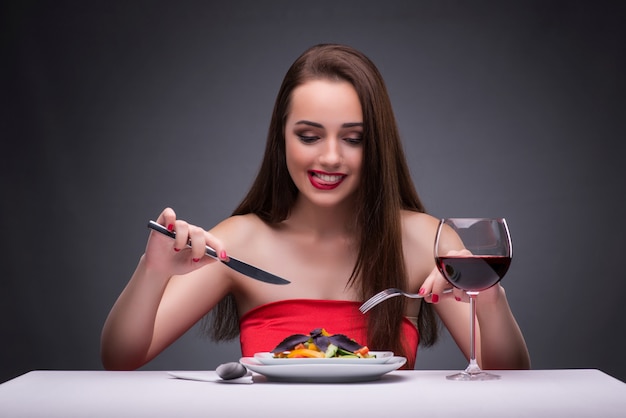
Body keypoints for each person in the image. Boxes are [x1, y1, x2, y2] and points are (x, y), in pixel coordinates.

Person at [101, 44, 530, 371]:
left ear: (377, 145)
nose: (329, 157)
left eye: (353, 138)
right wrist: (152, 269)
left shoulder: (422, 239)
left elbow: (510, 376)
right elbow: (121, 358)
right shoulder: (239, 240)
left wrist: (489, 299)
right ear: (281, 139)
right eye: (309, 136)